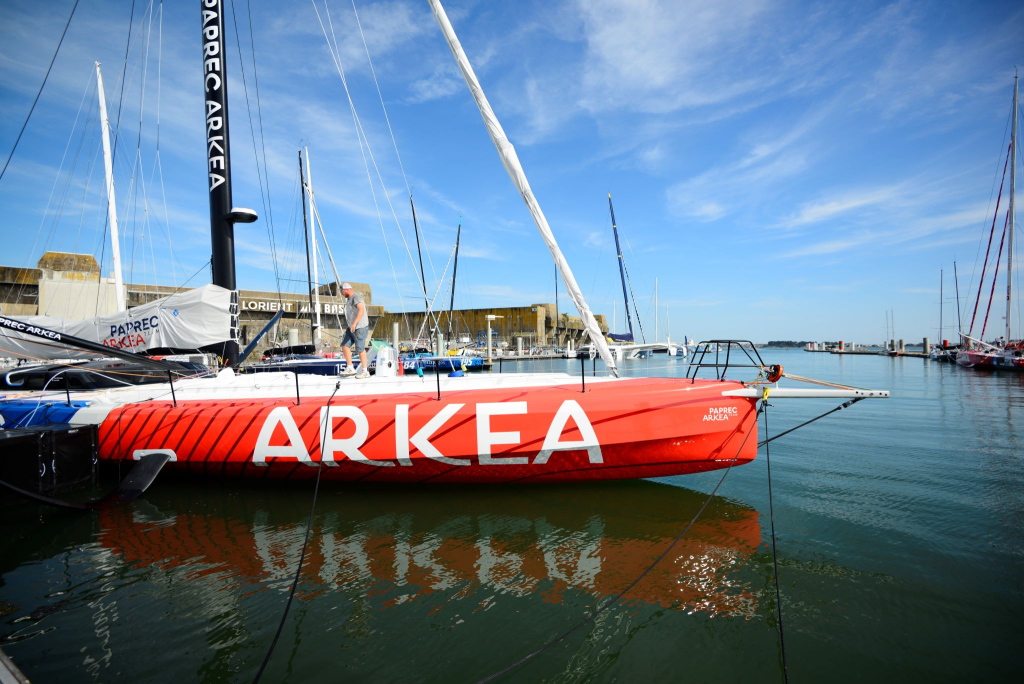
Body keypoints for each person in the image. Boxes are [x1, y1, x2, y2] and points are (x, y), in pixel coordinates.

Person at [339, 283, 370, 378]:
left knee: (360, 349)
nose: (341, 294)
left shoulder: (356, 297)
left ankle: (365, 371)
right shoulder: (349, 299)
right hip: (351, 328)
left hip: (359, 327)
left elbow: (361, 310)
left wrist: (354, 323)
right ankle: (350, 368)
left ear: (346, 290)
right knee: (344, 345)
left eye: (342, 292)